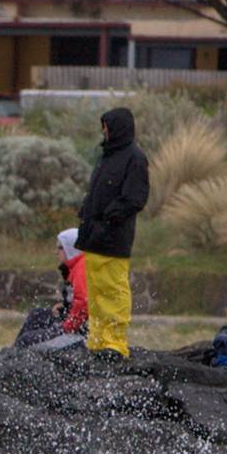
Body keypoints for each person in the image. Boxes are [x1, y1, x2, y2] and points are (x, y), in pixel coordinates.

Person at [75, 107, 149, 358]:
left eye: (106, 125)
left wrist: (107, 220)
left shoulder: (134, 157)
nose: (103, 130)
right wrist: (87, 216)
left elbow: (135, 198)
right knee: (96, 296)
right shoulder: (107, 155)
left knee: (114, 292)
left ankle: (115, 344)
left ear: (117, 127)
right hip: (94, 240)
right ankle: (97, 341)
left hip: (113, 239)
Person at [14, 227, 88, 351]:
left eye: (59, 247)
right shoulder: (74, 267)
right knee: (36, 314)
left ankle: (13, 359)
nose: (56, 252)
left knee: (26, 340)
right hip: (71, 322)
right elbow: (76, 299)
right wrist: (64, 307)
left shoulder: (81, 270)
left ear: (70, 248)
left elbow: (83, 304)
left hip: (78, 331)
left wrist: (66, 327)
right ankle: (11, 354)